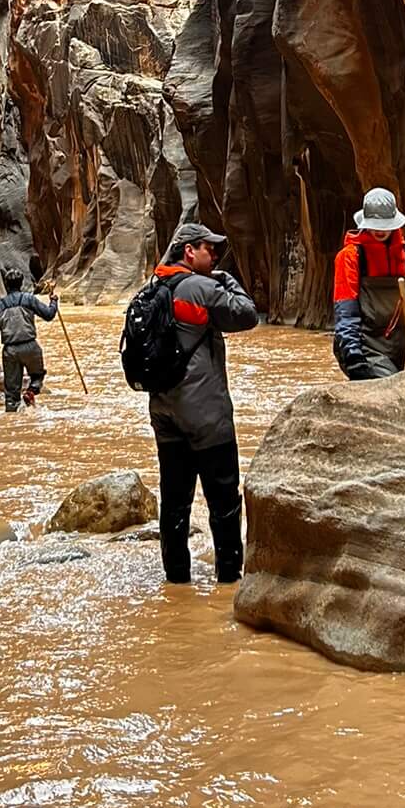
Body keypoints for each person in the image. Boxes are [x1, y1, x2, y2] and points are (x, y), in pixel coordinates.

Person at [147, 222, 258, 586]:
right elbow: (245, 314)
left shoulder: (155, 288)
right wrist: (225, 280)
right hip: (205, 413)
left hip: (164, 411)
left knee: (175, 501)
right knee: (224, 502)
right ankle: (229, 581)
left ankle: (176, 581)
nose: (215, 256)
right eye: (209, 249)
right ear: (188, 251)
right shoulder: (201, 288)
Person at [333, 187, 405, 378]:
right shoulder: (350, 257)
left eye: (384, 225)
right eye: (375, 224)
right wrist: (354, 357)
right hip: (363, 346)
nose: (379, 230)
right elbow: (346, 314)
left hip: (396, 350)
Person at [0, 265, 58, 411]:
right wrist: (53, 301)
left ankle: (12, 419)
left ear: (6, 285)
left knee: (11, 393)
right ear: (20, 284)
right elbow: (49, 315)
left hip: (10, 351)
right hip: (30, 346)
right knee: (38, 376)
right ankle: (31, 392)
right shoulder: (29, 299)